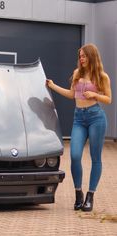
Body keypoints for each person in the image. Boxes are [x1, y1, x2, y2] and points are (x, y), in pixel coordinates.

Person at [46, 43, 112, 212]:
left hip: (96, 118)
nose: (81, 59)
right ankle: (78, 194)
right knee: (75, 155)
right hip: (79, 119)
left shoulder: (102, 76)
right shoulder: (77, 73)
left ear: (92, 56)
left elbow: (108, 99)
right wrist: (52, 86)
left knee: (95, 157)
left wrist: (95, 94)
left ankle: (90, 196)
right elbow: (71, 94)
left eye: (84, 56)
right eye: (80, 56)